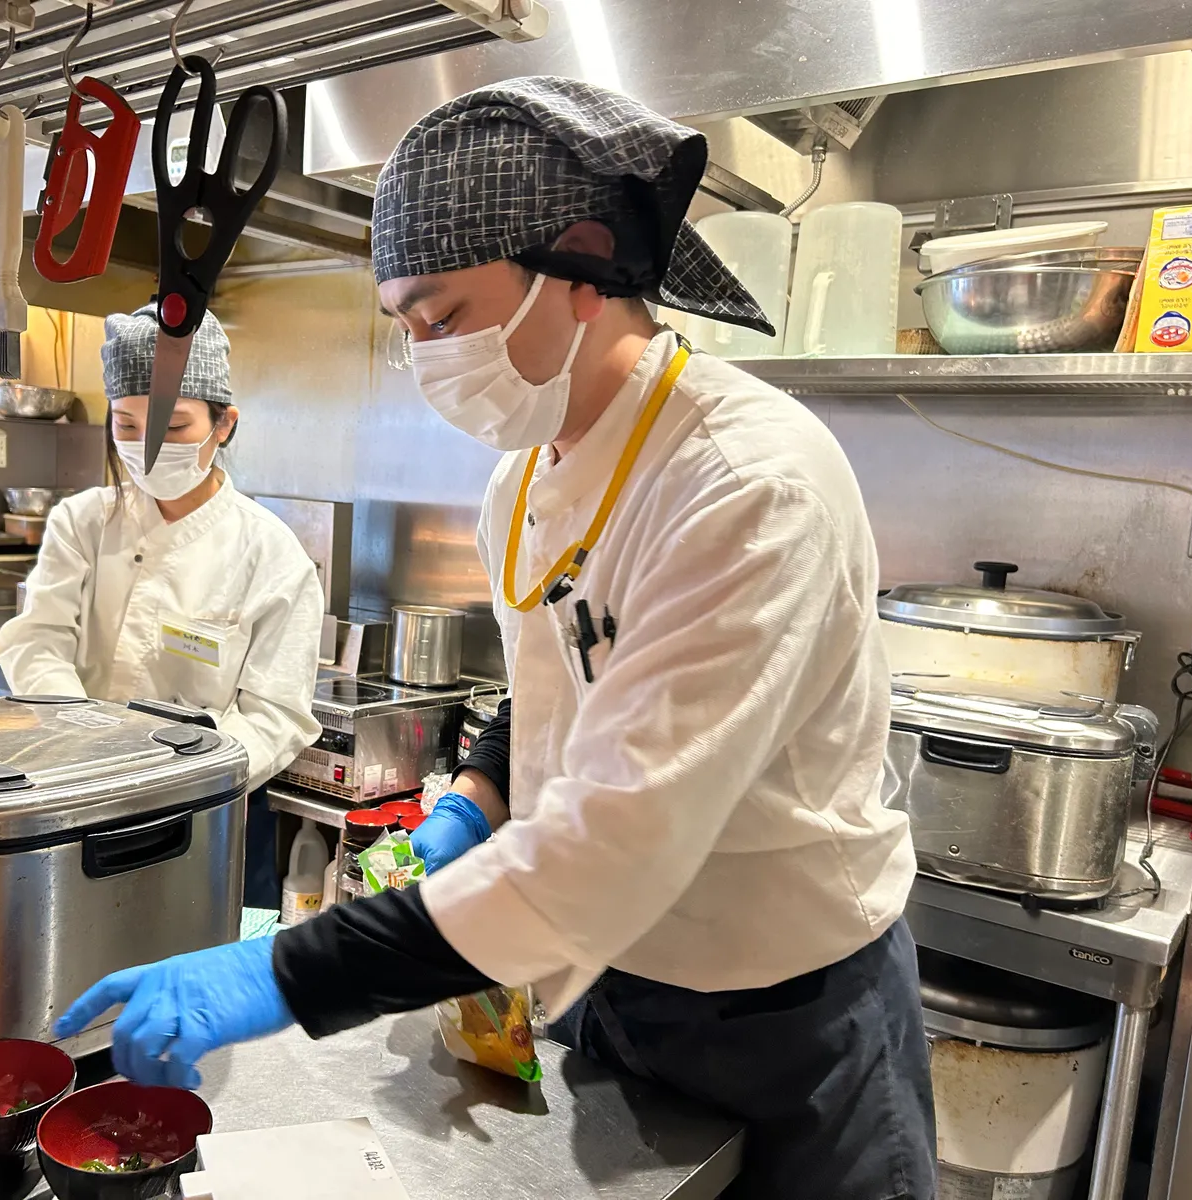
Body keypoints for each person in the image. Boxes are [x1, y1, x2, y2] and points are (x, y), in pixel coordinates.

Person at [55, 79, 935, 1199]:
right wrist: (471, 798)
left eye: (442, 317)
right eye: (406, 328)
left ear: (579, 269)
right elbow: (567, 675)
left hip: (786, 1011)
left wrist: (284, 972)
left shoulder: (744, 485)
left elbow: (608, 847)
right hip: (609, 986)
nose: (425, 356)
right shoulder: (527, 477)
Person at [0, 304, 323, 908]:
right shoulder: (84, 521)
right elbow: (37, 640)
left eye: (172, 429)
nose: (146, 448)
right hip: (71, 793)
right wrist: (88, 738)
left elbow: (276, 717)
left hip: (204, 819)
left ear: (223, 424)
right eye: (126, 425)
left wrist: (172, 783)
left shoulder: (271, 554)